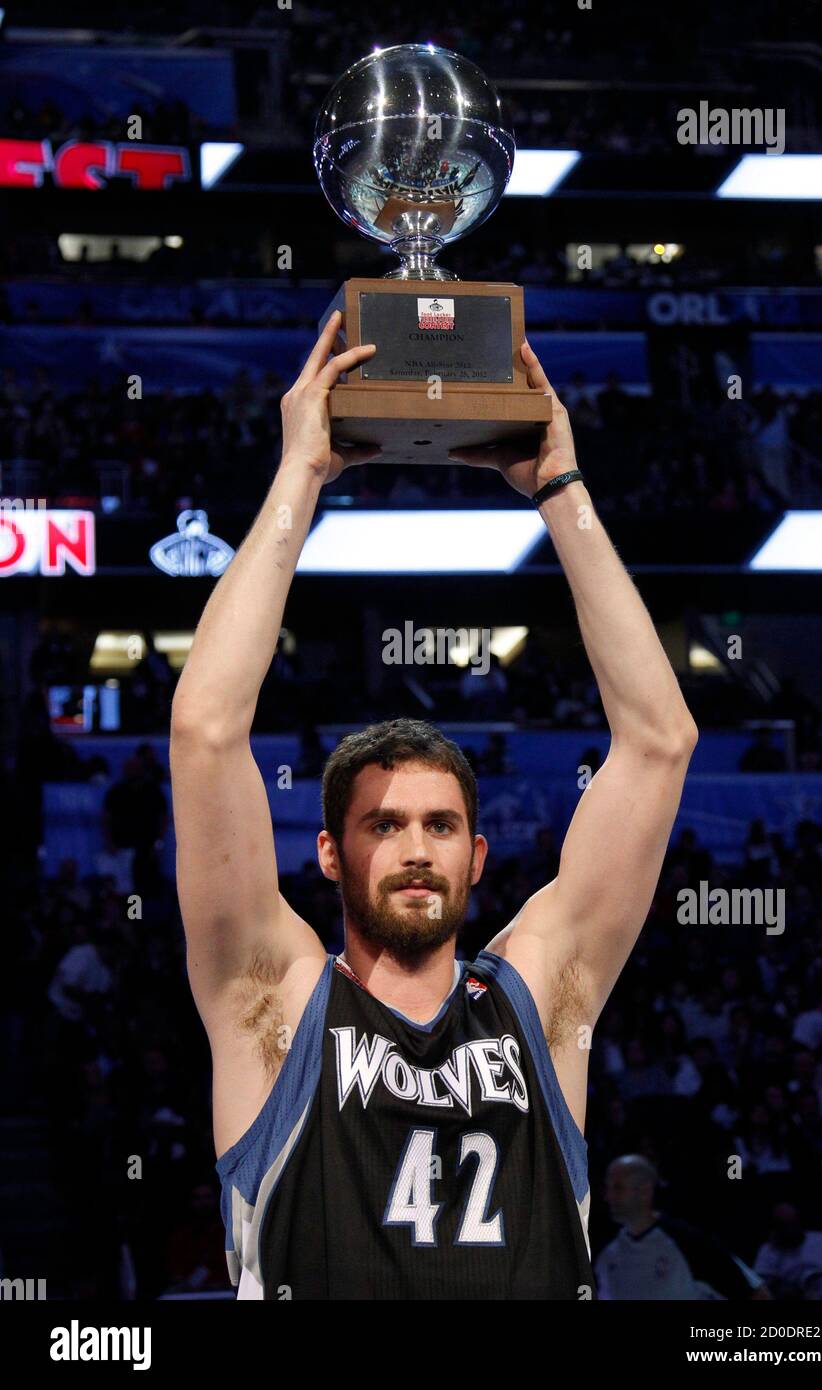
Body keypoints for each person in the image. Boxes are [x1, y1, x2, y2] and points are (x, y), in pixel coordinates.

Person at [170, 312, 698, 1300]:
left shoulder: (542, 1002)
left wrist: (561, 491)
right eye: (383, 824)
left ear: (478, 854)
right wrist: (300, 478)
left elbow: (659, 743)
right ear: (329, 853)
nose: (416, 848)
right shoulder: (272, 1009)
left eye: (440, 825)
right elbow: (204, 732)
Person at [595, 1156, 770, 1300]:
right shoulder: (605, 1252)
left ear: (644, 1191)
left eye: (618, 1188)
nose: (608, 1197)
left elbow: (757, 1294)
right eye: (608, 1188)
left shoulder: (688, 1242)